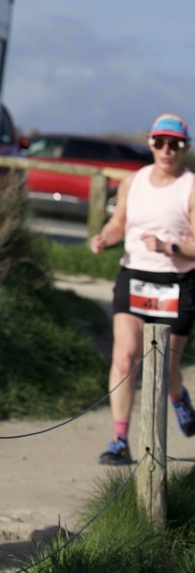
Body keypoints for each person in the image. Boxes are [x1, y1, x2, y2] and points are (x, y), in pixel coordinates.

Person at [90, 114, 195, 465]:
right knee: (125, 356)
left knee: (165, 368)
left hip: (176, 282)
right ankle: (119, 441)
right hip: (134, 276)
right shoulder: (132, 182)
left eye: (175, 144)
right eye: (160, 142)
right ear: (150, 143)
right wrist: (104, 238)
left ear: (185, 148)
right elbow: (118, 223)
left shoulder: (190, 187)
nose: (167, 150)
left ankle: (178, 397)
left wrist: (169, 247)